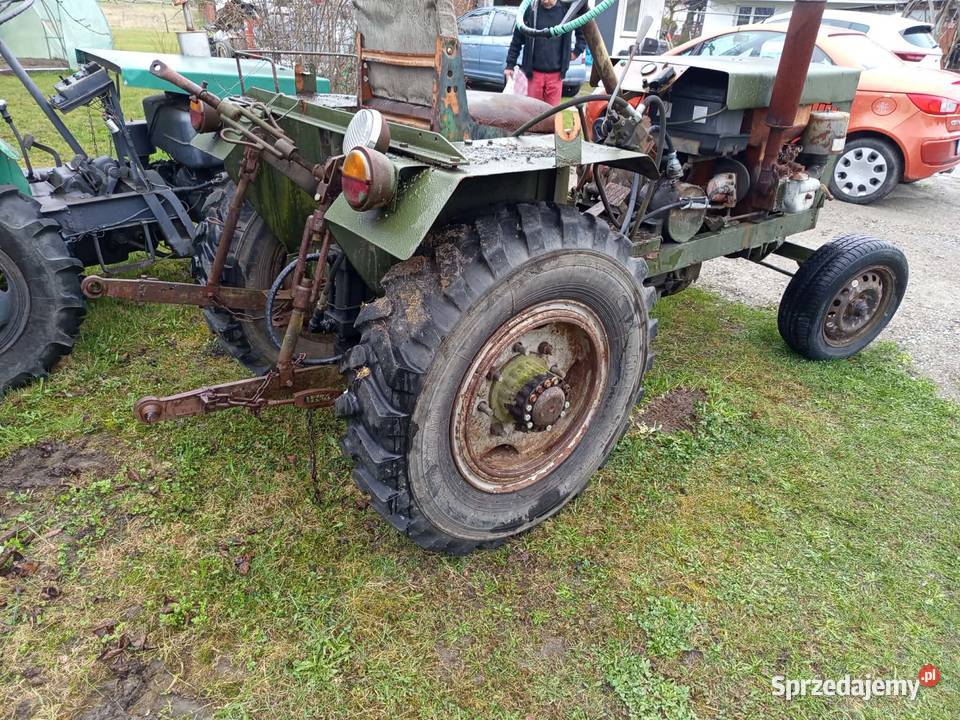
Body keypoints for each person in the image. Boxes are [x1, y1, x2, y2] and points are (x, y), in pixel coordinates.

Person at [504, 0, 586, 106]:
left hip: (556, 75)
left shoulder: (566, 11)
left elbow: (582, 32)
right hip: (533, 74)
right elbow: (517, 40)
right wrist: (510, 65)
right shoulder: (531, 10)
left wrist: (577, 51)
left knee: (552, 112)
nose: (546, 1)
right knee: (533, 111)